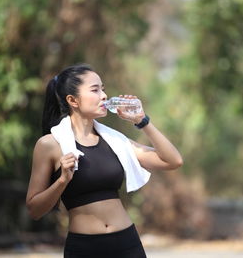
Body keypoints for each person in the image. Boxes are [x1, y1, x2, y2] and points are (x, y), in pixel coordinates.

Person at [26, 63, 183, 258]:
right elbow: (34, 209)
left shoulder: (115, 141)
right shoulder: (50, 145)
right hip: (84, 248)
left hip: (127, 244)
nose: (104, 96)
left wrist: (142, 121)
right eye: (95, 90)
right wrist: (62, 181)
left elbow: (172, 160)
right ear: (73, 100)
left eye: (103, 89)